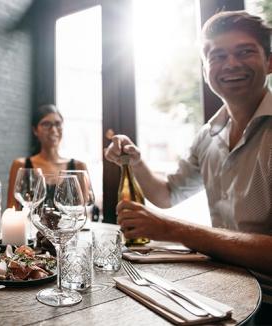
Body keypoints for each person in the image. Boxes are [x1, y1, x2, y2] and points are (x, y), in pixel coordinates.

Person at [105, 10, 272, 323]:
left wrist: (171, 229)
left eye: (245, 51)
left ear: (269, 61)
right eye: (217, 55)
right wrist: (136, 162)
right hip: (222, 288)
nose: (231, 64)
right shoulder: (208, 134)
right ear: (206, 69)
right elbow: (168, 194)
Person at [7, 104, 88, 208]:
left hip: (68, 224)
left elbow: (84, 210)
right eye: (46, 124)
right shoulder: (21, 165)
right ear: (35, 130)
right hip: (29, 224)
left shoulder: (79, 167)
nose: (53, 130)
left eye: (58, 124)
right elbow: (11, 209)